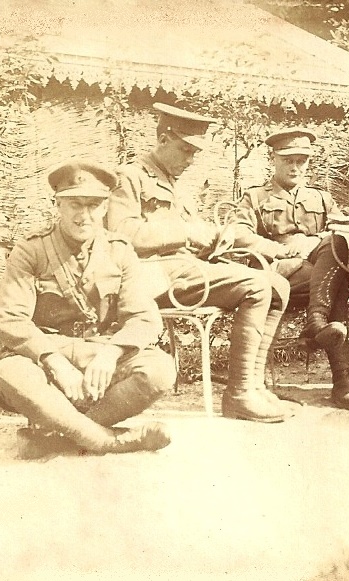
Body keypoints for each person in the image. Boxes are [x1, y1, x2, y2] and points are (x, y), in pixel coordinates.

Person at [106, 103, 291, 423]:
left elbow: (198, 234)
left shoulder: (174, 185)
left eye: (195, 153)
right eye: (185, 150)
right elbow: (122, 235)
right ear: (163, 140)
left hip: (184, 271)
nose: (190, 160)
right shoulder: (130, 178)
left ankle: (253, 385)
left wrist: (225, 240)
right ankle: (239, 395)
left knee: (277, 284)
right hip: (151, 277)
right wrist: (186, 233)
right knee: (256, 285)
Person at [0, 161, 177, 458]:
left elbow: (143, 317)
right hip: (45, 356)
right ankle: (105, 441)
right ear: (58, 205)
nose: (84, 215)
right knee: (9, 372)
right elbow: (8, 317)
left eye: (93, 205)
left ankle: (59, 437)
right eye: (75, 204)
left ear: (105, 208)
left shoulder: (118, 250)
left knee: (160, 369)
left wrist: (110, 353)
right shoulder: (31, 249)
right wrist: (54, 361)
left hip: (98, 354)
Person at [231, 128, 349, 412]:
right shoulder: (255, 197)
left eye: (301, 161)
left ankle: (316, 321)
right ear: (273, 159)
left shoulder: (321, 198)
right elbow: (237, 234)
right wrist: (279, 249)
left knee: (337, 243)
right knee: (337, 279)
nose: (295, 167)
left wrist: (316, 241)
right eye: (288, 160)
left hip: (317, 273)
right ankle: (343, 381)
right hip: (278, 274)